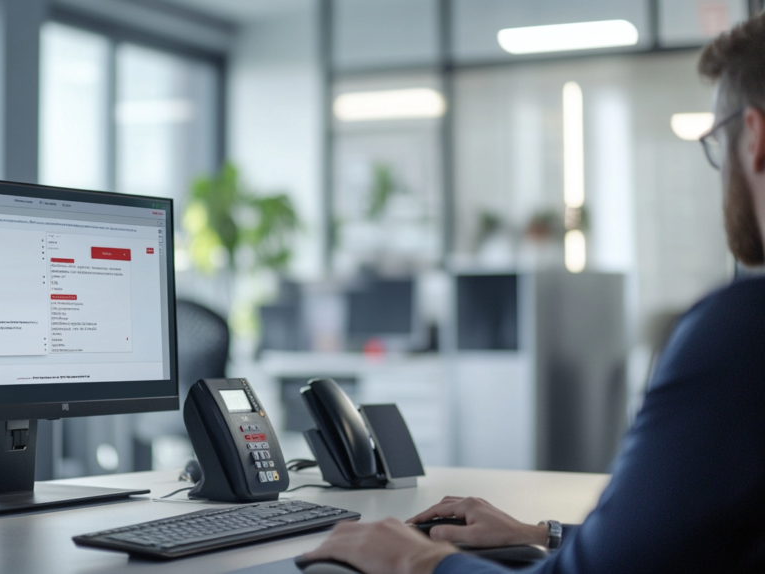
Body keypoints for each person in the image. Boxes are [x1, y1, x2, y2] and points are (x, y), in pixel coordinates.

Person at [302, 12, 765, 574]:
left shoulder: (743, 329)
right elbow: (679, 540)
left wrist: (416, 559)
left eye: (717, 142)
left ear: (755, 138)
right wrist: (539, 533)